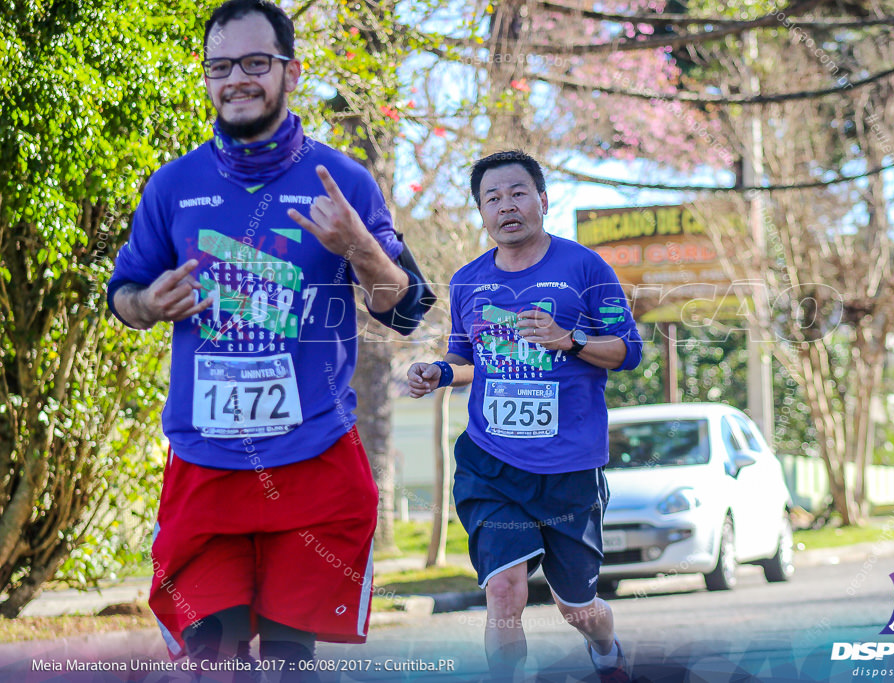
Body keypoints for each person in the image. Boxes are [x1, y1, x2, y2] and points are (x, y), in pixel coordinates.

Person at [106, 1, 429, 679]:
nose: (237, 79)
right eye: (220, 66)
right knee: (213, 657)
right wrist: (146, 302)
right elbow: (124, 297)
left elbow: (405, 309)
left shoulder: (343, 181)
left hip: (310, 456)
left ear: (292, 72)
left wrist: (360, 246)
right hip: (207, 458)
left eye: (257, 62)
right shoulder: (172, 187)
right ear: (206, 77)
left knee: (289, 662)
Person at [407, 150, 643, 682]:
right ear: (481, 212)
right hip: (492, 462)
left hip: (569, 468)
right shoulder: (468, 281)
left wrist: (569, 340)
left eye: (517, 193)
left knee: (577, 609)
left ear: (542, 199)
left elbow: (628, 352)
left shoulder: (585, 267)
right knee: (503, 590)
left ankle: (606, 649)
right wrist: (437, 373)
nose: (506, 206)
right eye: (492, 198)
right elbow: (467, 360)